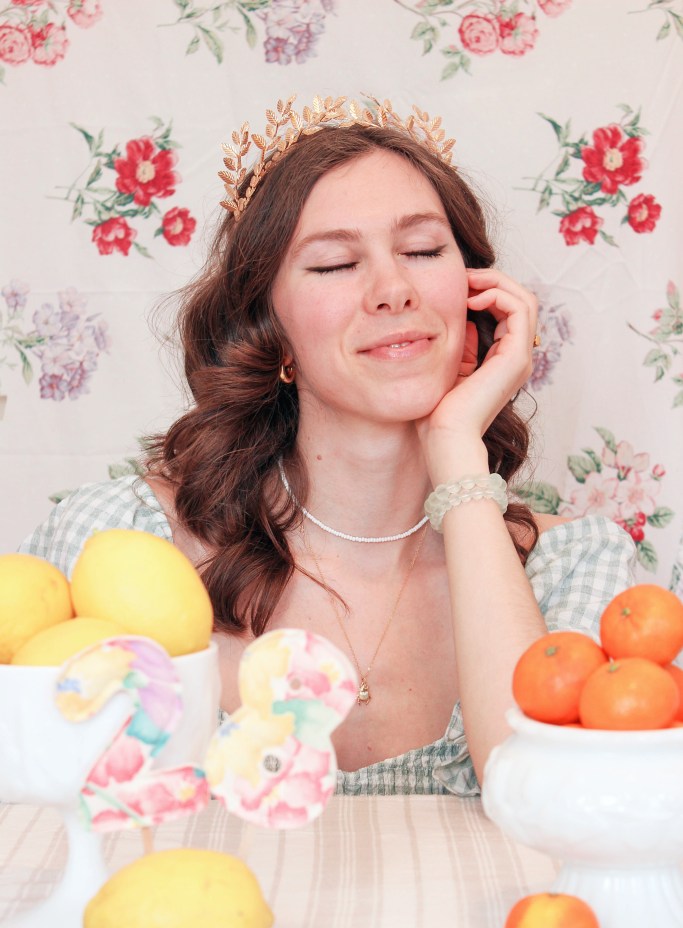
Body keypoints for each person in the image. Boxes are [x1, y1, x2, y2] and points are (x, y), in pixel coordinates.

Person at [20, 96, 636, 796]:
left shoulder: (576, 574)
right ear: (269, 328)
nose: (393, 289)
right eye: (335, 264)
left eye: (423, 251)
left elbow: (544, 798)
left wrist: (456, 450)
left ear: (474, 294)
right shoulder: (110, 542)